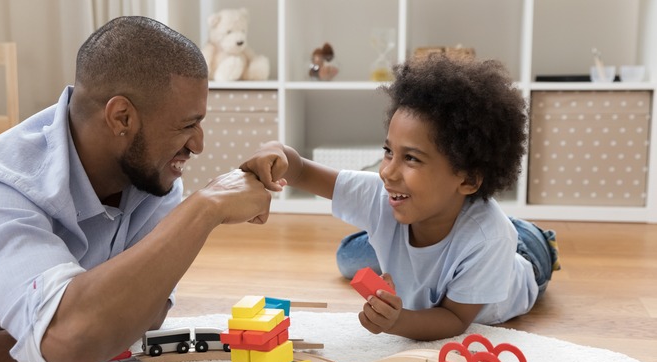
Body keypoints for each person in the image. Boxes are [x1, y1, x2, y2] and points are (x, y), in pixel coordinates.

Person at [0, 16, 273, 362]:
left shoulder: (154, 175)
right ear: (121, 118)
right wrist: (206, 208)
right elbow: (72, 342)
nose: (199, 145)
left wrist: (7, 351)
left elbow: (147, 311)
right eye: (188, 125)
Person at [240, 55, 560, 341]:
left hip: (525, 253)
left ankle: (540, 240)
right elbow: (302, 172)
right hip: (440, 213)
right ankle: (392, 244)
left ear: (468, 178)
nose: (388, 172)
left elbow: (454, 319)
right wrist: (275, 152)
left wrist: (398, 321)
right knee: (347, 258)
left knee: (503, 232)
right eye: (388, 151)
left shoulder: (488, 238)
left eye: (411, 159)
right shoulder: (386, 193)